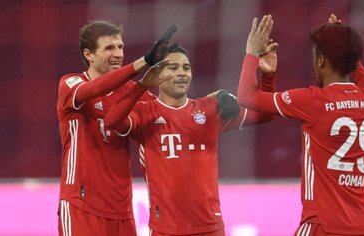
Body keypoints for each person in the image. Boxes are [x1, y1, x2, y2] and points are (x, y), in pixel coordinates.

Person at [237, 14, 364, 236]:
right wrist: (344, 45)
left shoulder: (313, 101)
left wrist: (252, 54)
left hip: (322, 226)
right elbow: (363, 77)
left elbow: (246, 96)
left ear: (321, 61)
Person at [104, 44, 275, 236]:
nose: (182, 73)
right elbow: (111, 122)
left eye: (186, 68)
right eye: (173, 67)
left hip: (211, 228)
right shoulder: (144, 112)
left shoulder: (209, 110)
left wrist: (267, 76)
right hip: (165, 230)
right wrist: (141, 86)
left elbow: (265, 114)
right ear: (158, 73)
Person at [56, 20, 176, 236]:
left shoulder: (134, 90)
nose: (118, 53)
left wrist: (206, 110)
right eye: (109, 48)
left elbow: (169, 117)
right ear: (88, 54)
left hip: (122, 211)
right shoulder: (71, 84)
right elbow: (96, 88)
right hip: (81, 204)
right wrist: (143, 62)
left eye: (120, 47)